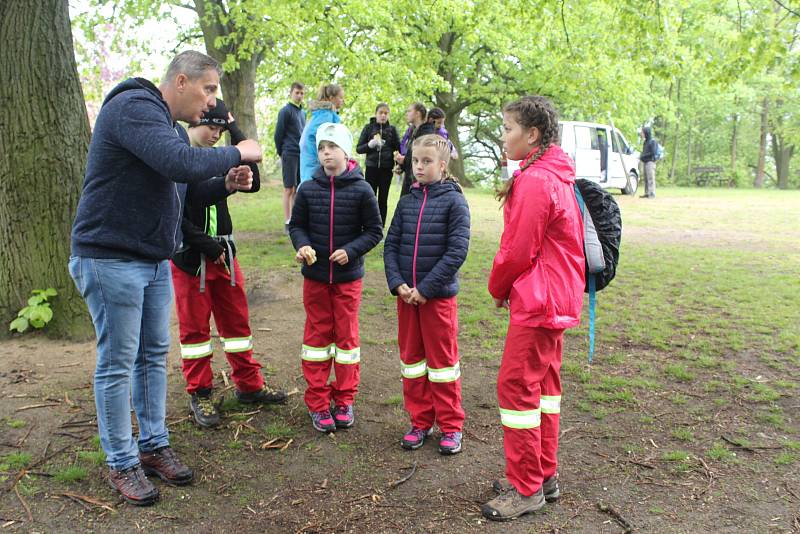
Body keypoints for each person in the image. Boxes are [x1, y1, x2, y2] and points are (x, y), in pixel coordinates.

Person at [69, 50, 262, 506]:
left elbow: (185, 187)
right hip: (111, 256)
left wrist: (226, 183)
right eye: (209, 89)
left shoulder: (168, 129)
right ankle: (121, 461)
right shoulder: (133, 108)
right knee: (117, 363)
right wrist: (238, 150)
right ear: (180, 81)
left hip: (153, 258)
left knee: (152, 356)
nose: (212, 102)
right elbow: (180, 164)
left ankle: (153, 446)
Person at [481, 96, 584, 521]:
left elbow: (516, 249)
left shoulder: (537, 181)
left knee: (517, 387)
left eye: (507, 129)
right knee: (543, 389)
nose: (503, 136)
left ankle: (526, 488)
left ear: (532, 135)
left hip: (539, 300)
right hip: (556, 298)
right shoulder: (556, 175)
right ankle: (543, 474)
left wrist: (498, 287)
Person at [173, 100, 287, 430]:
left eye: (221, 130)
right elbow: (176, 214)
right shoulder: (177, 157)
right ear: (193, 121)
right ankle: (201, 393)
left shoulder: (220, 158)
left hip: (224, 257)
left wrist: (232, 124)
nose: (216, 135)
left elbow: (254, 174)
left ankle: (249, 387)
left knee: (237, 326)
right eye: (211, 127)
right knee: (194, 332)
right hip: (191, 261)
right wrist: (206, 246)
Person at [289, 123, 383, 433]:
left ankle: (344, 399)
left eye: (332, 146)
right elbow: (296, 225)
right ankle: (317, 402)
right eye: (321, 147)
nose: (326, 152)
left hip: (347, 280)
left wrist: (351, 251)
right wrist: (302, 245)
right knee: (316, 341)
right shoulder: (307, 187)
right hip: (315, 278)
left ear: (345, 151)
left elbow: (374, 231)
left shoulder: (361, 189)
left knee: (346, 341)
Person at [383, 134, 470, 455]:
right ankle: (420, 421)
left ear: (443, 166)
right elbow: (390, 245)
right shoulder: (406, 201)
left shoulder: (455, 201)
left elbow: (457, 251)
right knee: (412, 362)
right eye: (415, 161)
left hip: (438, 300)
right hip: (406, 299)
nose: (419, 167)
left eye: (426, 161)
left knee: (443, 364)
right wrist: (398, 284)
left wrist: (427, 289)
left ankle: (451, 425)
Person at [356, 103, 400, 227]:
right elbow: (359, 149)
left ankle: (380, 227)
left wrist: (398, 165)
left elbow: (398, 149)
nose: (383, 115)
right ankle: (367, 225)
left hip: (386, 169)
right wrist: (370, 145)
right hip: (371, 168)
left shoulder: (392, 130)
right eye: (381, 112)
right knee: (369, 198)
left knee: (383, 199)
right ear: (376, 114)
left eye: (386, 113)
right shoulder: (368, 128)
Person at [274, 82, 306, 232]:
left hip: (301, 154)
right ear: (291, 93)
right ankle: (287, 221)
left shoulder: (303, 112)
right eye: (297, 92)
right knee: (289, 188)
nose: (299, 95)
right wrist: (282, 152)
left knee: (299, 188)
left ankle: (295, 220)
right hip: (289, 153)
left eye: (302, 93)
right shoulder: (285, 111)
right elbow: (278, 135)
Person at [299, 83, 344, 184]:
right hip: (314, 164)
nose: (343, 101)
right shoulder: (325, 115)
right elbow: (324, 141)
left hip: (311, 162)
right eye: (340, 97)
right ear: (331, 98)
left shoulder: (321, 114)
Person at [395, 102, 436, 196]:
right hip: (410, 179)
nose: (407, 113)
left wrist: (404, 160)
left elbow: (423, 158)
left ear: (417, 113)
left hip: (419, 181)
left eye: (409, 111)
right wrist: (402, 165)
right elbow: (411, 155)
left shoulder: (426, 133)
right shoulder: (413, 131)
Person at [639, 126, 657, 198]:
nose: (641, 134)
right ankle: (647, 193)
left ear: (646, 132)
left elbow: (653, 153)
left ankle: (652, 193)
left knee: (650, 178)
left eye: (642, 132)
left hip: (650, 162)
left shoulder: (653, 141)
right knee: (646, 178)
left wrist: (643, 156)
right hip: (645, 162)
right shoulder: (645, 142)